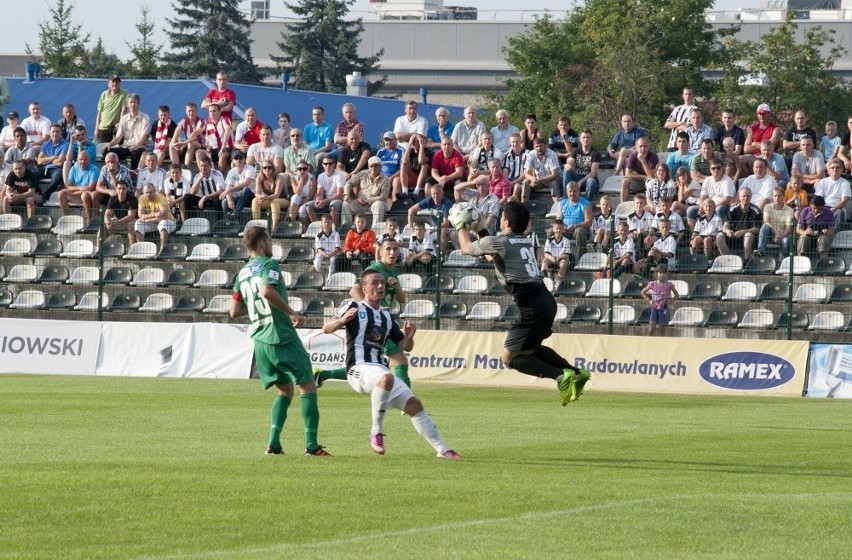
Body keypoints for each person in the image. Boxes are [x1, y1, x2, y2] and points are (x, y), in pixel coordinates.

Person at [455, 201, 591, 405]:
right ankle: (576, 374)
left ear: (506, 221)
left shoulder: (499, 242)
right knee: (531, 350)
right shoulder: (523, 240)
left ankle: (560, 376)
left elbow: (466, 248)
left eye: (501, 218)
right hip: (546, 300)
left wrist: (460, 225)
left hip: (531, 306)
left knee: (509, 359)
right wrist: (482, 228)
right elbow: (493, 257)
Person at [322, 268, 459, 459]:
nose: (380, 286)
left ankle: (443, 450)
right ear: (364, 287)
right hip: (358, 368)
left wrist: (410, 337)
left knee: (414, 404)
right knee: (386, 378)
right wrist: (342, 320)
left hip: (378, 369)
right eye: (374, 283)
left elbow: (405, 346)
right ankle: (376, 432)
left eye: (382, 283)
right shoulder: (354, 307)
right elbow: (326, 328)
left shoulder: (386, 316)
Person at [230, 226, 329, 457]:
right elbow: (266, 291)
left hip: (260, 341)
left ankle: (273, 445)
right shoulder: (268, 264)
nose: (271, 245)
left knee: (285, 391)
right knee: (307, 386)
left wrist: (255, 307)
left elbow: (233, 311)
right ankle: (312, 447)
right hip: (280, 334)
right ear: (263, 243)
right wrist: (293, 313)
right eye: (270, 241)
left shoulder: (242, 273)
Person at [104, 93, 150, 170]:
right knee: (106, 150)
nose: (133, 104)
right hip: (126, 146)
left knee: (137, 151)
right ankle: (114, 170)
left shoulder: (145, 117)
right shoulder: (124, 119)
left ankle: (133, 174)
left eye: (135, 102)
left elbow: (144, 135)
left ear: (138, 103)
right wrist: (110, 144)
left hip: (139, 146)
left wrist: (137, 145)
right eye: (130, 102)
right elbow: (119, 137)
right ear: (127, 104)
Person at [715, 187, 761, 261]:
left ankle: (746, 261)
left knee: (748, 235)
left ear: (751, 197)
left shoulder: (756, 210)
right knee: (719, 236)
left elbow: (757, 229)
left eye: (748, 196)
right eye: (744, 196)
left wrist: (743, 231)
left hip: (749, 239)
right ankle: (728, 260)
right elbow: (725, 225)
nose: (746, 198)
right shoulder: (732, 208)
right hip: (733, 237)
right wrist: (727, 231)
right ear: (739, 197)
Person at [342, 156, 390, 227]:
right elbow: (349, 183)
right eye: (371, 166)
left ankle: (375, 230)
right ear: (368, 166)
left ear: (380, 166)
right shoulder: (363, 173)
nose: (373, 168)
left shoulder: (385, 179)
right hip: (359, 203)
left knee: (379, 204)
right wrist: (347, 194)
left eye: (376, 166)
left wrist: (367, 200)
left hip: (373, 204)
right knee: (345, 204)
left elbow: (383, 197)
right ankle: (347, 228)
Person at [407, 181, 453, 254]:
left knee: (443, 232)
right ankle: (422, 254)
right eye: (434, 194)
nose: (436, 195)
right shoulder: (429, 201)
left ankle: (440, 257)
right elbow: (411, 210)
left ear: (442, 194)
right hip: (434, 227)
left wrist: (433, 229)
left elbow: (446, 224)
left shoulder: (446, 204)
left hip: (449, 228)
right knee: (419, 231)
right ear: (431, 194)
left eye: (438, 193)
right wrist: (411, 228)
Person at [135, 182, 177, 255]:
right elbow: (140, 216)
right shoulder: (141, 198)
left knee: (163, 223)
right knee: (138, 223)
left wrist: (146, 218)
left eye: (150, 192)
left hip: (169, 222)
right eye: (146, 193)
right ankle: (141, 250)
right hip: (153, 222)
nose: (148, 194)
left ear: (155, 191)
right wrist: (155, 215)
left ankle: (162, 250)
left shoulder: (161, 197)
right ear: (143, 193)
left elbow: (163, 217)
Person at [90, 152, 134, 220]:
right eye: (108, 162)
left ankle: (113, 218)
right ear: (105, 163)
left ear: (117, 161)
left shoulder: (123, 170)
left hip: (125, 194)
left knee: (117, 193)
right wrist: (109, 191)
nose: (110, 163)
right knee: (94, 194)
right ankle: (99, 218)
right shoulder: (104, 169)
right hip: (111, 193)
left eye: (112, 161)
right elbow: (98, 187)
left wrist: (111, 173)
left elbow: (118, 188)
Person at [555, 182, 593, 259]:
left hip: (582, 230)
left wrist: (575, 226)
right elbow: (558, 219)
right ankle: (554, 256)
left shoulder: (586, 204)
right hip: (565, 230)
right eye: (570, 191)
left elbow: (589, 222)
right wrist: (562, 227)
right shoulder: (562, 203)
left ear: (579, 191)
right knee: (551, 231)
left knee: (578, 232)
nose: (572, 193)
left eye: (574, 191)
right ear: (567, 192)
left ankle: (581, 258)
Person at [59, 151, 99, 222]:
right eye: (81, 159)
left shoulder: (94, 169)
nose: (83, 161)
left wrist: (72, 193)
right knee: (61, 193)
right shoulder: (74, 168)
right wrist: (79, 188)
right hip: (78, 191)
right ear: (77, 160)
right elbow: (68, 186)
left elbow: (90, 188)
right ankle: (67, 219)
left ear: (89, 160)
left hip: (87, 194)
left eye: (85, 159)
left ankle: (89, 221)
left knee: (84, 195)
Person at [756, 186, 795, 258]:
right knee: (765, 227)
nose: (777, 198)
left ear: (783, 196)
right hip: (770, 233)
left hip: (783, 235)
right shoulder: (767, 206)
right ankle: (760, 252)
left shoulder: (790, 210)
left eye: (779, 196)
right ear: (773, 197)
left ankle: (782, 262)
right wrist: (776, 231)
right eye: (775, 196)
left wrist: (781, 236)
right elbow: (766, 221)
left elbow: (788, 228)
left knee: (786, 240)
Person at [640, 264, 678, 336]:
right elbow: (642, 292)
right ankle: (648, 344)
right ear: (657, 273)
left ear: (666, 274)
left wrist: (670, 302)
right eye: (660, 273)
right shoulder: (652, 284)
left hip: (664, 308)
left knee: (661, 330)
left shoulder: (669, 284)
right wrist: (649, 300)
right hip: (654, 308)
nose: (662, 275)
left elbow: (676, 295)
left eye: (664, 273)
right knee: (651, 329)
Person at [519, 137, 560, 203]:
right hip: (538, 181)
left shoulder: (552, 154)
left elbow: (554, 175)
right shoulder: (530, 155)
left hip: (551, 180)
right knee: (525, 182)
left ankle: (557, 206)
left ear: (546, 145)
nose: (539, 148)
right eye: (536, 146)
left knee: (554, 183)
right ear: (534, 147)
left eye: (541, 146)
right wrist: (532, 179)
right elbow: (526, 173)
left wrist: (539, 180)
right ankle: (524, 205)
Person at [251, 160, 289, 232]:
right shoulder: (259, 177)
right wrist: (260, 197)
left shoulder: (279, 177)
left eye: (269, 168)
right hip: (268, 201)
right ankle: (257, 227)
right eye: (265, 168)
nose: (267, 170)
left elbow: (277, 195)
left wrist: (265, 197)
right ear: (262, 169)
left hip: (282, 200)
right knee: (255, 200)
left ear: (273, 169)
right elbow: (257, 193)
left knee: (274, 201)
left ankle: (274, 228)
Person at [308, 155, 345, 225]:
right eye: (325, 164)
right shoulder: (320, 176)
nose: (328, 166)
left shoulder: (339, 175)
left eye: (330, 163)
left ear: (334, 164)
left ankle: (333, 229)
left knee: (333, 206)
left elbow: (340, 195)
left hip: (337, 200)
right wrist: (318, 200)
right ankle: (319, 227)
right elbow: (319, 193)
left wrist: (324, 201)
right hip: (325, 200)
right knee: (308, 206)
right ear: (322, 165)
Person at [620, 137, 659, 203]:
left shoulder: (653, 157)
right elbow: (628, 173)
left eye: (645, 146)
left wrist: (643, 161)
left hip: (649, 181)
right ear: (636, 147)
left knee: (651, 182)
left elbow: (651, 176)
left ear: (649, 146)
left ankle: (651, 205)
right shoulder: (633, 156)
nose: (643, 149)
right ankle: (622, 204)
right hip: (638, 180)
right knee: (625, 181)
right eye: (640, 146)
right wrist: (644, 176)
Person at [34, 123, 68, 198]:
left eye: (57, 131)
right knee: (31, 175)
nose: (55, 133)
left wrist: (46, 158)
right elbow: (39, 161)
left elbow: (59, 162)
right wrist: (53, 157)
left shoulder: (65, 144)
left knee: (56, 179)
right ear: (50, 132)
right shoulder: (45, 144)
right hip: (43, 168)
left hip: (56, 169)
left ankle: (44, 195)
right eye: (53, 131)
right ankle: (39, 192)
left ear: (61, 133)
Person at [796, 195, 835, 260]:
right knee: (803, 238)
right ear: (810, 205)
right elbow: (798, 229)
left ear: (823, 206)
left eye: (819, 208)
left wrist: (827, 232)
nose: (816, 210)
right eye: (814, 208)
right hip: (808, 236)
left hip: (822, 236)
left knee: (823, 239)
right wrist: (805, 232)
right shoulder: (804, 211)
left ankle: (823, 261)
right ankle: (801, 260)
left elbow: (832, 229)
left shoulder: (829, 213)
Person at [814, 158, 850, 225]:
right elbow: (818, 199)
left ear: (842, 170)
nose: (835, 169)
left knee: (839, 213)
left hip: (838, 208)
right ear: (828, 170)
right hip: (823, 207)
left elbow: (844, 201)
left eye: (837, 167)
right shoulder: (823, 182)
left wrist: (833, 208)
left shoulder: (845, 183)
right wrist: (822, 208)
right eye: (832, 167)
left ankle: (836, 235)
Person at [221, 151, 257, 217]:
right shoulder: (231, 172)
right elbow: (228, 187)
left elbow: (245, 183)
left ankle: (235, 213)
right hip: (237, 197)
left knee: (245, 189)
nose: (238, 160)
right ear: (233, 161)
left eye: (240, 158)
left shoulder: (250, 169)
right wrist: (229, 199)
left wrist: (228, 190)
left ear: (244, 159)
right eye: (236, 158)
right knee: (225, 202)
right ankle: (228, 221)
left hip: (250, 197)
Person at [103, 180, 138, 247]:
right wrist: (107, 222)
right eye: (119, 188)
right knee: (102, 228)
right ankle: (100, 250)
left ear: (127, 189)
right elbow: (107, 214)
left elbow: (131, 216)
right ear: (116, 189)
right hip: (117, 221)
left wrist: (117, 222)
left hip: (129, 221)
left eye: (123, 188)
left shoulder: (132, 199)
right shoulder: (112, 199)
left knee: (131, 225)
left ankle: (132, 249)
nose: (121, 191)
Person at [169, 102, 206, 167]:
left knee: (191, 142)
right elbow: (176, 132)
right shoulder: (183, 121)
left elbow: (195, 134)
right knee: (171, 144)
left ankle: (186, 167)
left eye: (193, 111)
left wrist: (184, 143)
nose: (191, 113)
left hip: (201, 145)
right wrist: (174, 143)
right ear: (186, 112)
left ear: (196, 111)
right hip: (187, 144)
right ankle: (175, 167)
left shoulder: (202, 121)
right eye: (189, 111)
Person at [94, 75, 129, 143]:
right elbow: (99, 112)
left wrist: (120, 124)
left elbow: (123, 110)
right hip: (103, 127)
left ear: (120, 84)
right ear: (108, 84)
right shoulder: (104, 94)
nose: (115, 84)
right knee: (104, 150)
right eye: (113, 82)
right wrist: (96, 128)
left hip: (116, 127)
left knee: (117, 149)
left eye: (117, 82)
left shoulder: (124, 93)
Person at [201, 103, 233, 174]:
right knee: (199, 153)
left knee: (222, 154)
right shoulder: (208, 124)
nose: (212, 113)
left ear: (219, 112)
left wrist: (223, 147)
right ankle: (203, 175)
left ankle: (219, 177)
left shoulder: (224, 119)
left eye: (214, 111)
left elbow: (227, 129)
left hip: (226, 148)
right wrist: (207, 148)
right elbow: (207, 140)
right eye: (210, 111)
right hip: (214, 150)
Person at [664, 86, 697, 150]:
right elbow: (667, 124)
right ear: (683, 96)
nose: (688, 96)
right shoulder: (677, 108)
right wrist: (680, 123)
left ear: (693, 95)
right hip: (672, 144)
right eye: (686, 94)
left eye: (690, 94)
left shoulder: (695, 110)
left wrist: (673, 125)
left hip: (686, 145)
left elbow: (687, 128)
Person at [541, 219, 572, 287]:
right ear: (553, 229)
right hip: (552, 258)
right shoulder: (549, 240)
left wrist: (559, 258)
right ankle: (544, 278)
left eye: (561, 228)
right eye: (557, 228)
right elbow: (546, 253)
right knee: (545, 261)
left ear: (563, 229)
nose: (559, 230)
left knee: (564, 263)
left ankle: (558, 282)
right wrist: (551, 258)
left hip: (561, 259)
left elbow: (566, 255)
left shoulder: (566, 241)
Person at [400, 133, 432, 199]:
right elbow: (404, 161)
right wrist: (409, 144)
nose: (416, 143)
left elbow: (421, 161)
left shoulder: (428, 151)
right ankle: (405, 192)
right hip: (414, 177)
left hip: (425, 178)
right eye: (414, 141)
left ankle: (416, 192)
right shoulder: (410, 151)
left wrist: (422, 145)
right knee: (404, 165)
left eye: (418, 141)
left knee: (424, 166)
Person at [288, 160, 316, 228]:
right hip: (298, 199)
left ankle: (304, 228)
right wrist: (301, 179)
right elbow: (297, 192)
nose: (302, 171)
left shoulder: (312, 178)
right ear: (296, 170)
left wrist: (302, 203)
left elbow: (311, 195)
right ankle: (291, 222)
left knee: (302, 209)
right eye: (300, 169)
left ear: (307, 169)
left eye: (304, 169)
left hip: (308, 199)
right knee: (295, 197)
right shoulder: (293, 178)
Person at [377, 131, 404, 200]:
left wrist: (391, 177)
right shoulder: (380, 151)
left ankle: (395, 205)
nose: (388, 142)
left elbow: (403, 168)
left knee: (397, 181)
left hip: (395, 176)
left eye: (390, 140)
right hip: (382, 176)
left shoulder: (401, 151)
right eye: (386, 140)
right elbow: (376, 166)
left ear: (395, 140)